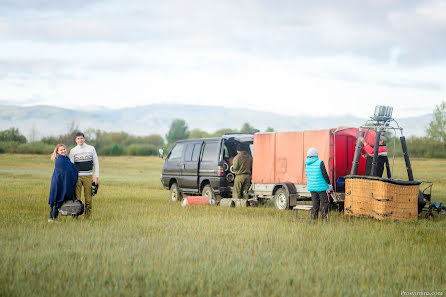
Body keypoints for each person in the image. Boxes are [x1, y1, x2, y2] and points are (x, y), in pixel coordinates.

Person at [69, 132, 99, 219]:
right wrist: (71, 179)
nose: (80, 140)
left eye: (81, 138)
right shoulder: (73, 151)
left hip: (88, 176)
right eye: (78, 139)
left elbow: (96, 163)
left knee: (88, 199)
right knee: (76, 199)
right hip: (77, 177)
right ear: (76, 140)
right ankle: (75, 218)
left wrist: (96, 177)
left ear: (84, 139)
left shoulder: (91, 148)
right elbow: (71, 166)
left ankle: (88, 217)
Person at [48, 144, 78, 222]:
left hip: (62, 182)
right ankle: (52, 218)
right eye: (61, 150)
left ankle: (54, 218)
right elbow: (67, 172)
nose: (63, 151)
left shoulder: (66, 159)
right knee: (57, 199)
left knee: (58, 199)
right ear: (57, 152)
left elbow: (71, 169)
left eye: (64, 149)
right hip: (59, 183)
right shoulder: (60, 160)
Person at [305, 148, 331, 220]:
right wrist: (329, 183)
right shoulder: (320, 162)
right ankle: (324, 219)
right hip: (321, 187)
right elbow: (324, 174)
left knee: (315, 204)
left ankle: (314, 219)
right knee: (325, 203)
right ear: (316, 155)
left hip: (312, 187)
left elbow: (307, 174)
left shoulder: (306, 163)